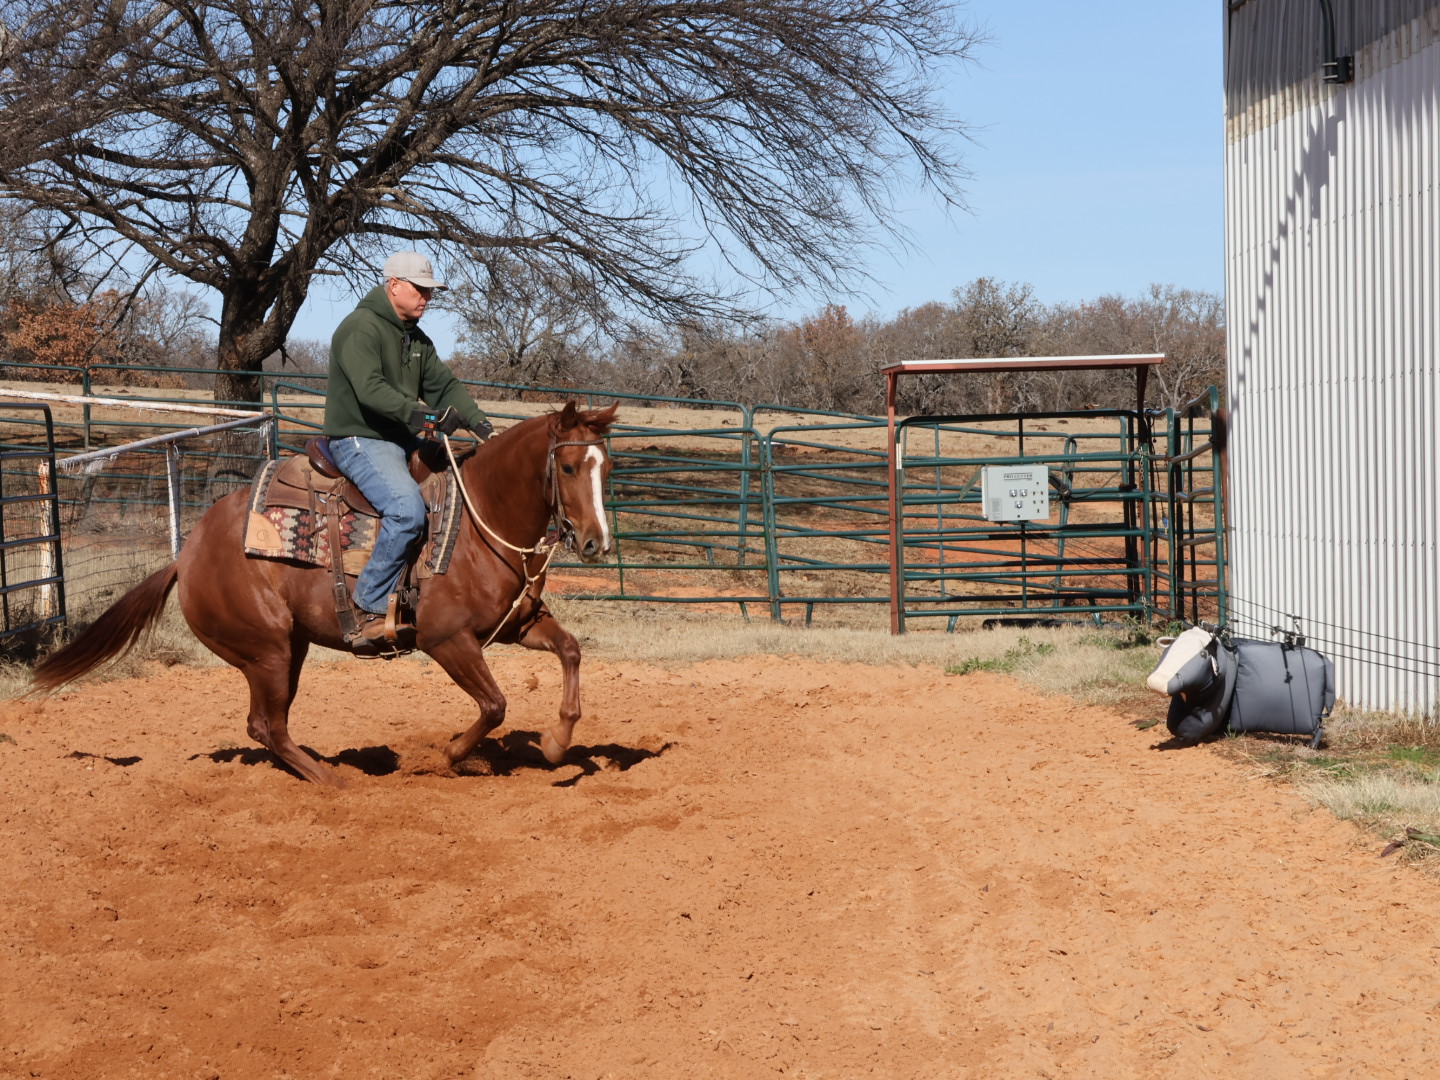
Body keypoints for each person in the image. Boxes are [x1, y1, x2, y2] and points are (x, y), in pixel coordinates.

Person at [323, 251, 495, 647]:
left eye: (430, 292)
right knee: (406, 510)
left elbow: (445, 387)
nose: (426, 298)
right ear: (394, 284)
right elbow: (371, 392)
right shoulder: (359, 329)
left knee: (457, 495)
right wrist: (428, 419)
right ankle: (367, 606)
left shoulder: (416, 339)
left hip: (400, 438)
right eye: (420, 290)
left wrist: (482, 426)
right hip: (360, 438)